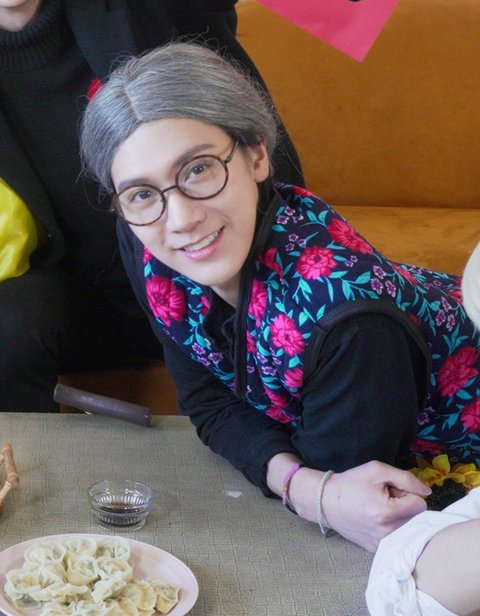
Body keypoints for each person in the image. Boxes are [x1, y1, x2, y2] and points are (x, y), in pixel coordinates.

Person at [81, 42, 480, 561]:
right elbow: (207, 403)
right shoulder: (145, 234)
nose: (180, 219)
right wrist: (299, 484)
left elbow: (343, 492)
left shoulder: (349, 323)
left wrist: (305, 484)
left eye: (198, 169)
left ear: (257, 154)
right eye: (140, 193)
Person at [0, 0, 303, 412]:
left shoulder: (150, 11)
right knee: (10, 323)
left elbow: (257, 150)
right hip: (81, 301)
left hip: (198, 269)